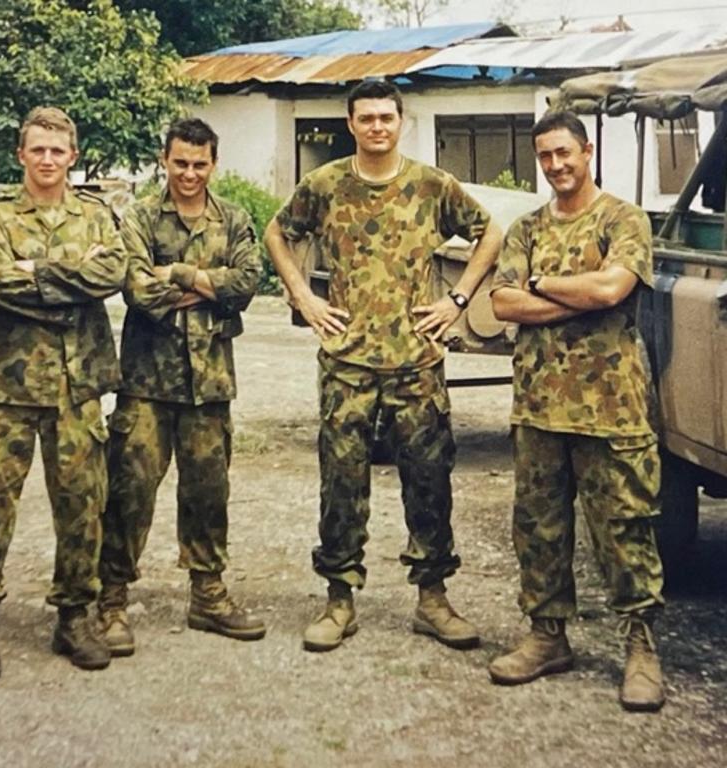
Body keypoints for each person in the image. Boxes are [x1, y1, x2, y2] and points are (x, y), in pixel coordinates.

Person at [265, 79, 502, 653]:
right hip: (347, 363)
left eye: (386, 117)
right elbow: (278, 232)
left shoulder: (430, 185)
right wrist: (302, 295)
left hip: (415, 362)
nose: (376, 126)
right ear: (351, 124)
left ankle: (433, 598)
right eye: (366, 117)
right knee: (341, 484)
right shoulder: (324, 186)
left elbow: (490, 231)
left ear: (401, 121)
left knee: (429, 481)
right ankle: (339, 599)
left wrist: (459, 300)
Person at [488, 110, 666, 711]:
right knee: (539, 531)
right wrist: (570, 294)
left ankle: (640, 648)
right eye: (545, 157)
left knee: (623, 531)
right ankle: (547, 636)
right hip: (538, 408)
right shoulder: (527, 226)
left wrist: (540, 285)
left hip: (610, 409)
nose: (556, 165)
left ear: (586, 152)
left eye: (565, 153)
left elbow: (614, 290)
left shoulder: (623, 218)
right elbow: (502, 304)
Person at [0, 106, 126, 677]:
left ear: (72, 156)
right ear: (21, 155)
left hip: (78, 383)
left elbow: (114, 274)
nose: (47, 160)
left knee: (82, 505)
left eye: (57, 151)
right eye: (37, 150)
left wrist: (39, 269)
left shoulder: (98, 215)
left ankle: (74, 615)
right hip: (6, 383)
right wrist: (73, 272)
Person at [96, 117, 265, 657]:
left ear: (214, 164)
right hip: (147, 382)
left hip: (209, 383)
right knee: (129, 490)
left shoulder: (234, 219)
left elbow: (248, 283)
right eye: (180, 163)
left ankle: (207, 594)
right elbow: (138, 290)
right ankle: (112, 599)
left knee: (208, 493)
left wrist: (183, 276)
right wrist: (210, 287)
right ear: (164, 160)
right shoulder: (141, 217)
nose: (189, 173)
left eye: (200, 164)